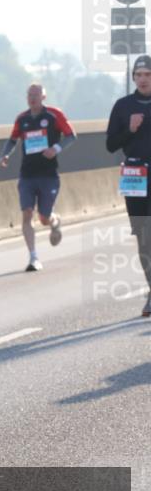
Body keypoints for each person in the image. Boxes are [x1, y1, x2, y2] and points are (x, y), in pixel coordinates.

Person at [0, 83, 76, 271]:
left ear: (43, 97)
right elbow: (12, 140)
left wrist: (55, 149)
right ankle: (33, 257)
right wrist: (5, 154)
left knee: (43, 217)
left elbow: (71, 135)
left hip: (48, 174)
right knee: (26, 213)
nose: (32, 98)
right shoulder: (22, 119)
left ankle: (54, 220)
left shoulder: (54, 115)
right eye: (29, 95)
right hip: (27, 174)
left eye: (36, 94)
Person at [106, 55, 151, 318]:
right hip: (135, 175)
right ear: (133, 78)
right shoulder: (123, 106)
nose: (143, 79)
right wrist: (131, 130)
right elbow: (111, 145)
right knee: (144, 238)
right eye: (139, 74)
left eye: (148, 74)